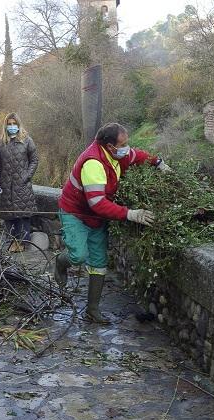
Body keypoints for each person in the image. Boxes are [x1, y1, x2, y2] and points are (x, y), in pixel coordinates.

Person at [55, 123, 172, 323]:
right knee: (78, 255)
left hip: (97, 217)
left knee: (99, 262)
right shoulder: (93, 163)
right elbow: (98, 203)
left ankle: (92, 310)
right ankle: (60, 262)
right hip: (75, 213)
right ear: (110, 146)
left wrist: (158, 162)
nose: (127, 148)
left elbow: (138, 155)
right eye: (123, 144)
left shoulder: (117, 154)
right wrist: (130, 214)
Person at [0, 112, 38, 252]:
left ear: (18, 125)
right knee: (9, 217)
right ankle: (13, 242)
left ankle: (23, 243)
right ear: (5, 126)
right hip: (6, 186)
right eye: (9, 124)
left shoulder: (27, 140)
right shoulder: (1, 143)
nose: (12, 126)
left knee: (23, 216)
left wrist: (26, 176)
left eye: (14, 124)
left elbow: (34, 160)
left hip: (22, 185)